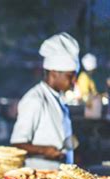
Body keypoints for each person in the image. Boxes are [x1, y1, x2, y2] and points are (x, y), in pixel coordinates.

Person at [10, 32, 79, 169]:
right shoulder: (35, 99)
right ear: (54, 73)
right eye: (70, 76)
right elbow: (17, 143)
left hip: (60, 176)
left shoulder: (58, 98)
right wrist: (44, 150)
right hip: (40, 178)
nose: (73, 82)